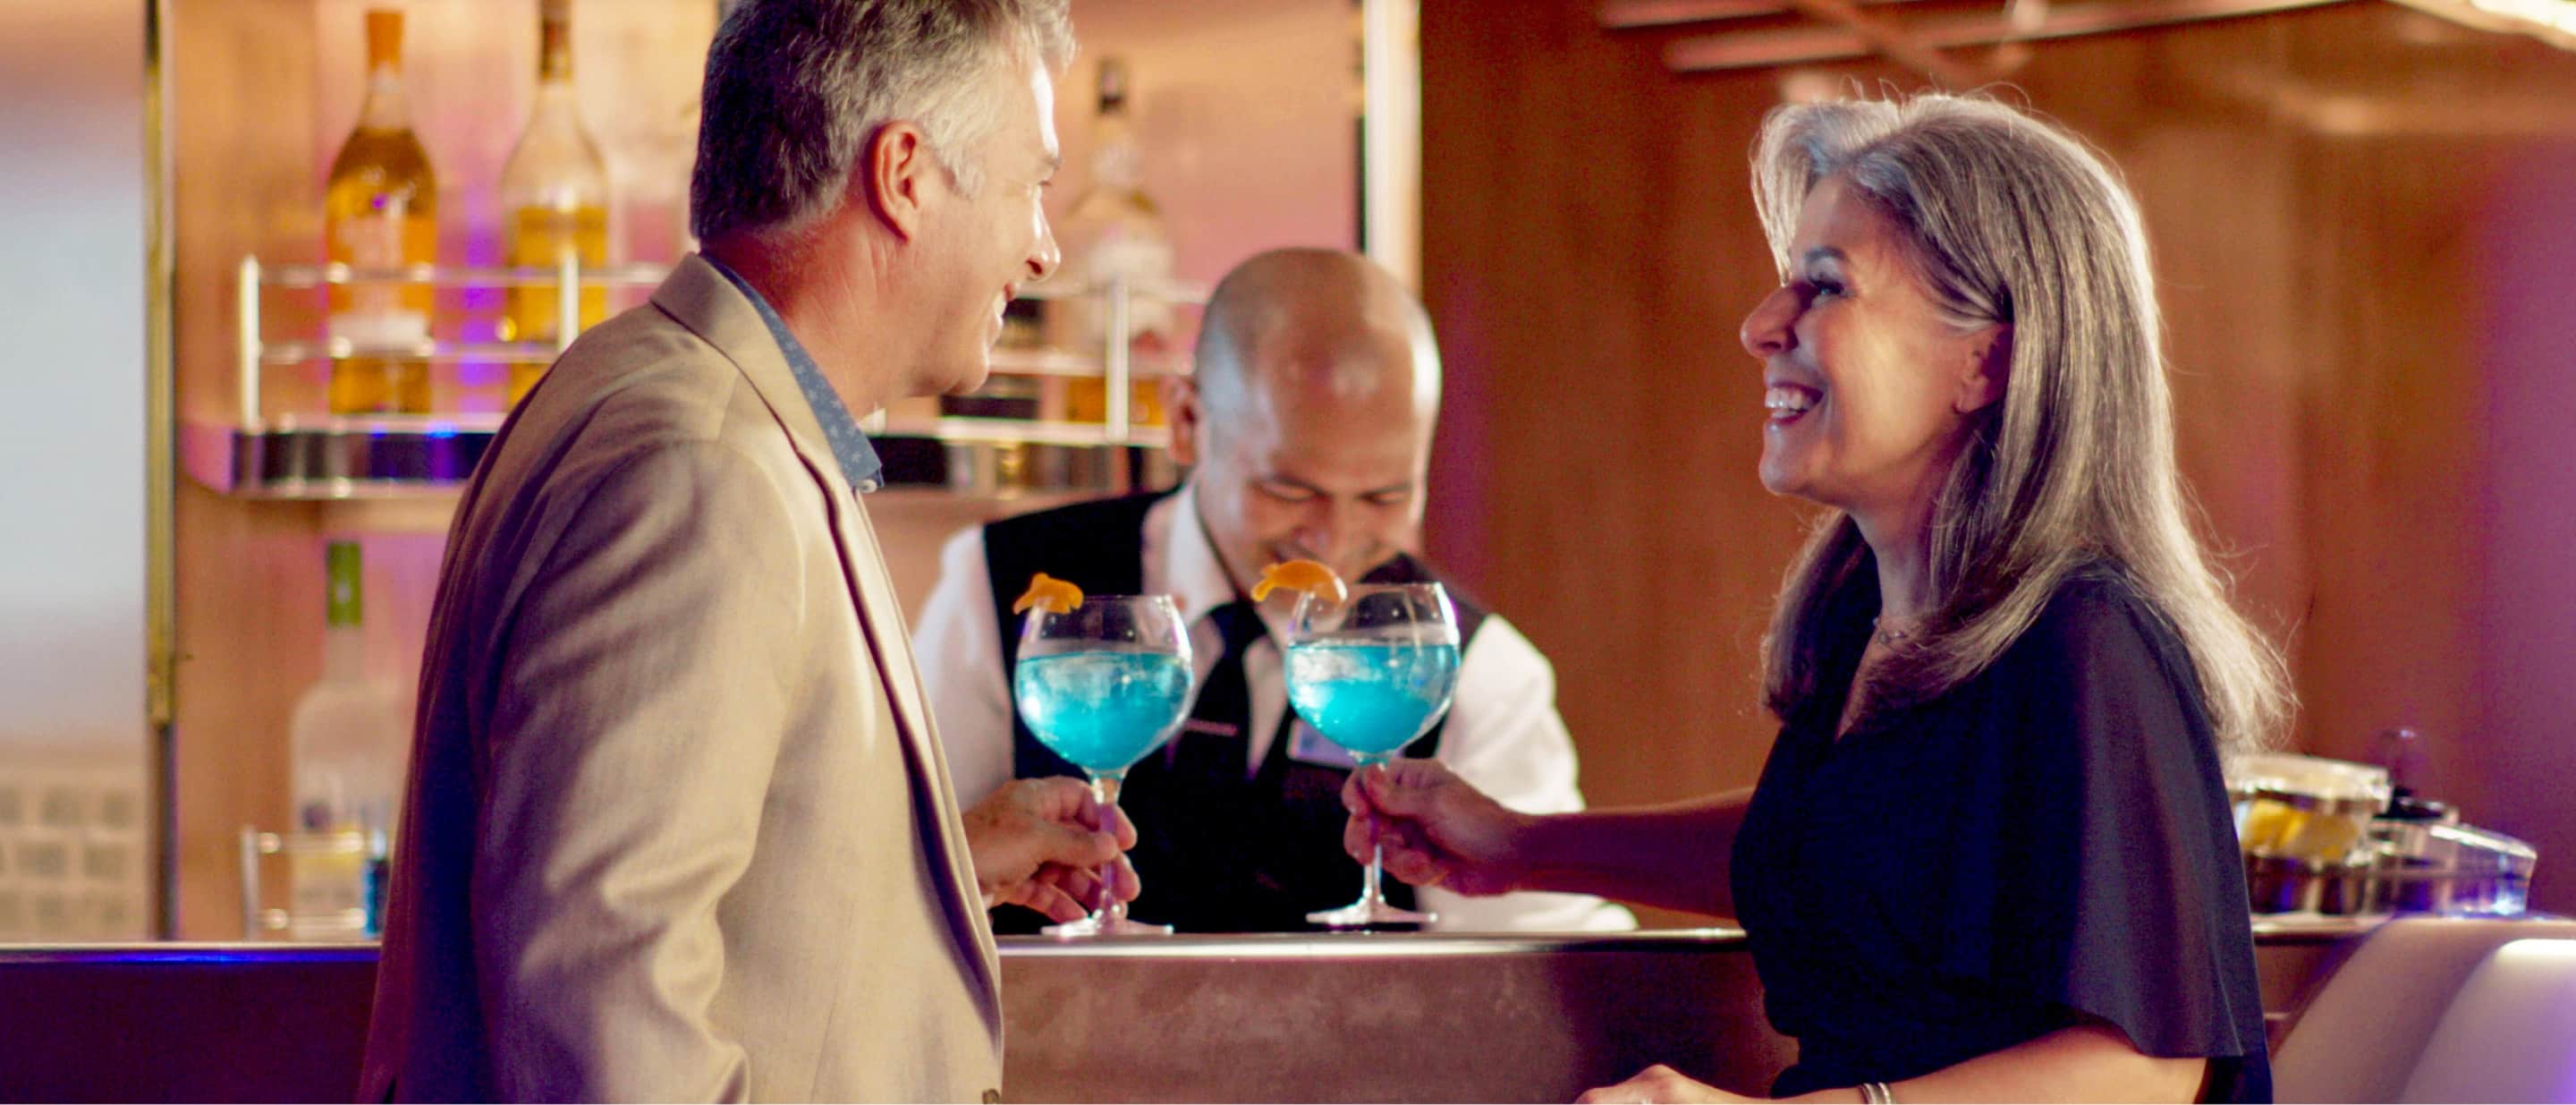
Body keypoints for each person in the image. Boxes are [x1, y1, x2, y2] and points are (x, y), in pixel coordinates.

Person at [1343, 93, 2288, 1102]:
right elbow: (1840, 851)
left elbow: (2144, 1070)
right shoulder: (1864, 613)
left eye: (1825, 286)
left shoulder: (2086, 639)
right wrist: (1524, 846)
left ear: (1988, 360)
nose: (1761, 326)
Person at [359, 2, 1136, 1100]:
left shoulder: (664, 389)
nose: (1044, 246)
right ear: (905, 176)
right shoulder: (703, 466)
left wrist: (936, 861)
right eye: (1030, 186)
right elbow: (606, 1000)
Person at [915, 248, 1631, 933]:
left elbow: (1547, 950)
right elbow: (903, 868)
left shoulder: (1475, 669)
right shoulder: (997, 582)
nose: (1334, 539)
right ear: (1187, 421)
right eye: (1289, 489)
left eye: (1384, 496)